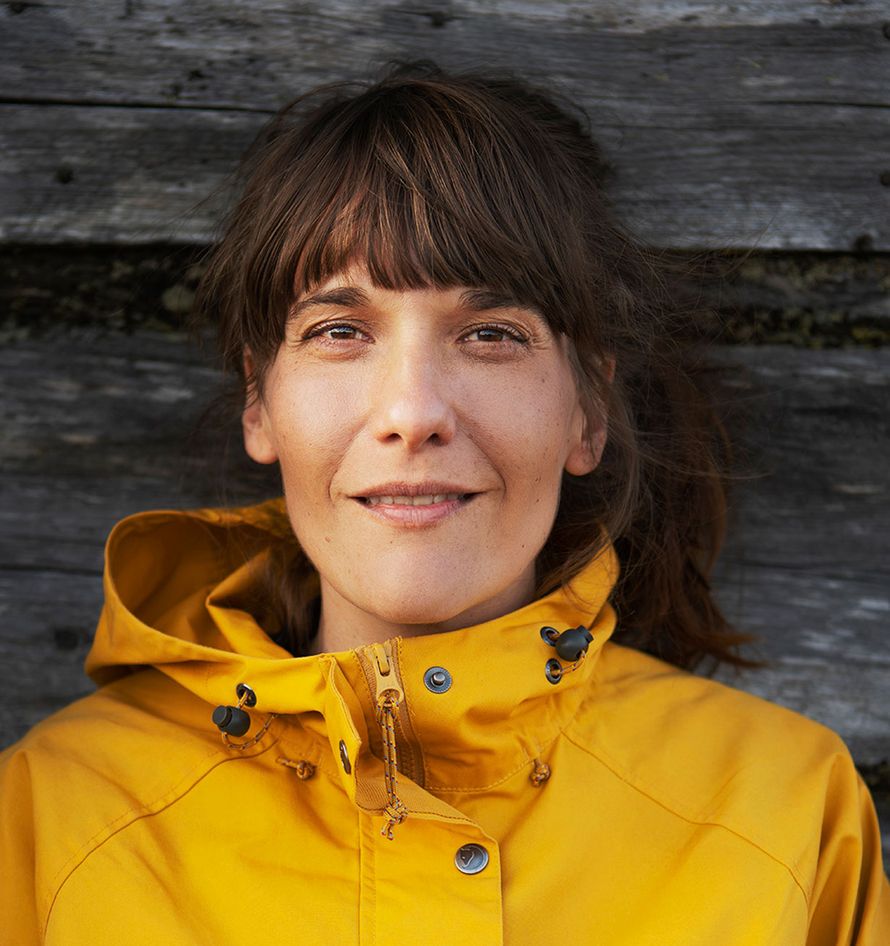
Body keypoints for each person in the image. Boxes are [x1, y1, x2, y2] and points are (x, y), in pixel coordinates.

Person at [1, 61, 887, 945]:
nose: (413, 412)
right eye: (340, 331)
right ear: (258, 402)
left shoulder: (786, 808)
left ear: (587, 411)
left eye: (491, 334)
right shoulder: (53, 816)